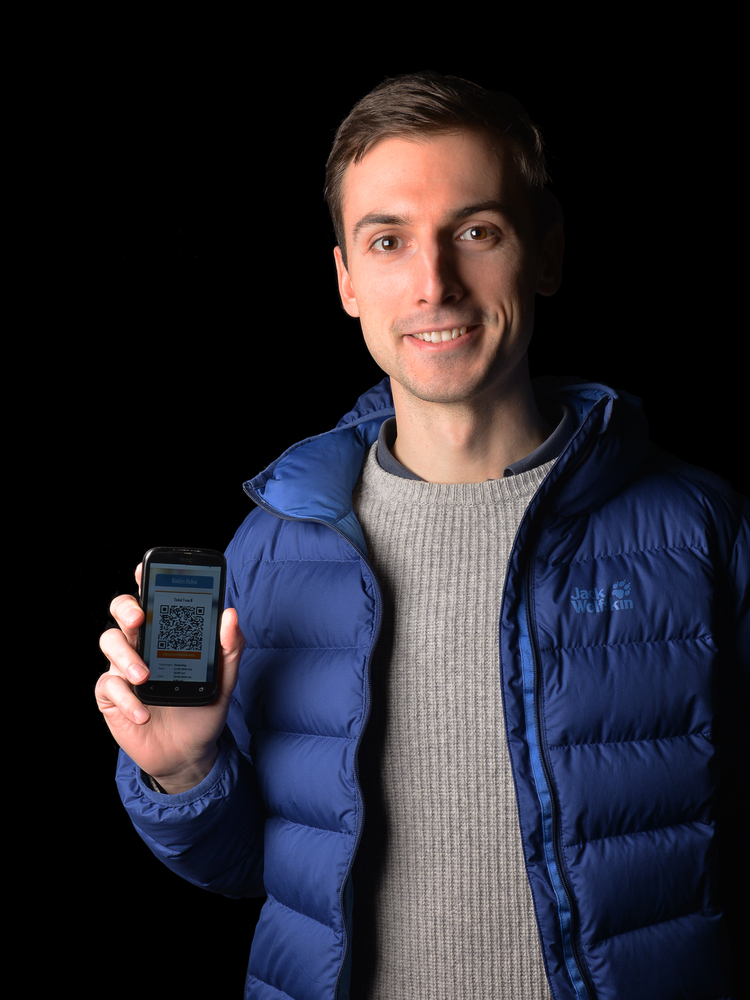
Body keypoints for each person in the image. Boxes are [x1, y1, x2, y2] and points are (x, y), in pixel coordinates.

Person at [97, 72, 747, 1000]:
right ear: (346, 281)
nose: (434, 284)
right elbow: (251, 871)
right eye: (389, 241)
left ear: (547, 253)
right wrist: (186, 770)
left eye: (476, 232)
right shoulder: (273, 551)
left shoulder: (699, 530)